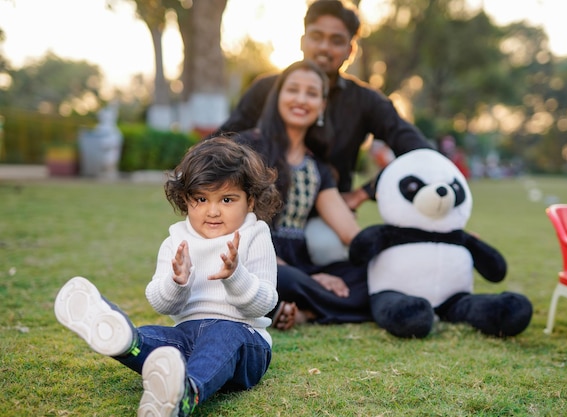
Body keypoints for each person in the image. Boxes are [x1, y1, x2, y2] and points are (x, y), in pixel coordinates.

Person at [54, 137, 282, 417]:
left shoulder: (254, 235)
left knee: (223, 335)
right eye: (201, 199)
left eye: (226, 199)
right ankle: (126, 340)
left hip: (244, 342)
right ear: (186, 199)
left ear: (250, 201)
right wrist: (178, 282)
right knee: (153, 337)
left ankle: (185, 394)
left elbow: (265, 304)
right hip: (186, 337)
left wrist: (235, 276)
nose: (212, 211)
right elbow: (161, 304)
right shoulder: (177, 240)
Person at [219, 0, 433, 211]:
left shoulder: (367, 101)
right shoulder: (266, 88)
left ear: (350, 50)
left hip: (327, 214)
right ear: (302, 41)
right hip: (262, 210)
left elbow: (420, 152)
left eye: (336, 41)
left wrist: (365, 192)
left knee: (328, 242)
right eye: (316, 37)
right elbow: (219, 144)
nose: (324, 47)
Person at [236, 59, 371, 330]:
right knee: (282, 280)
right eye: (293, 90)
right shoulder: (245, 148)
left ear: (322, 106)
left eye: (311, 93)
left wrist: (397, 252)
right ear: (278, 97)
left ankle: (304, 312)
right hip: (254, 259)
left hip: (300, 265)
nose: (301, 99)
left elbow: (349, 232)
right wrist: (310, 278)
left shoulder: (317, 167)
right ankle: (302, 303)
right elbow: (231, 230)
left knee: (370, 277)